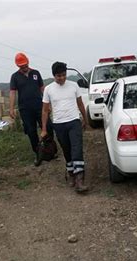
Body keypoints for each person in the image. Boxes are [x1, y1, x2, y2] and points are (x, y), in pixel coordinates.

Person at [41, 61, 88, 193]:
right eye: (58, 76)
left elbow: (80, 104)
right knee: (67, 150)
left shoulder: (73, 86)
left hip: (74, 121)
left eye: (63, 75)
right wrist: (44, 129)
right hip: (59, 124)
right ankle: (71, 173)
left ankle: (80, 180)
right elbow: (45, 111)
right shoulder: (48, 89)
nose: (61, 78)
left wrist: (85, 119)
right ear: (54, 76)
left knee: (76, 148)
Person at [9, 52, 53, 166]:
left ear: (28, 62)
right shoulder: (15, 77)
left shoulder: (36, 73)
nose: (24, 67)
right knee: (31, 131)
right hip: (25, 109)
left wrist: (49, 104)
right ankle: (38, 153)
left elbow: (43, 88)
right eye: (21, 66)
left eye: (25, 65)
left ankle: (50, 150)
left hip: (40, 106)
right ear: (18, 66)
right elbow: (12, 93)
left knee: (48, 126)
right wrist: (11, 108)